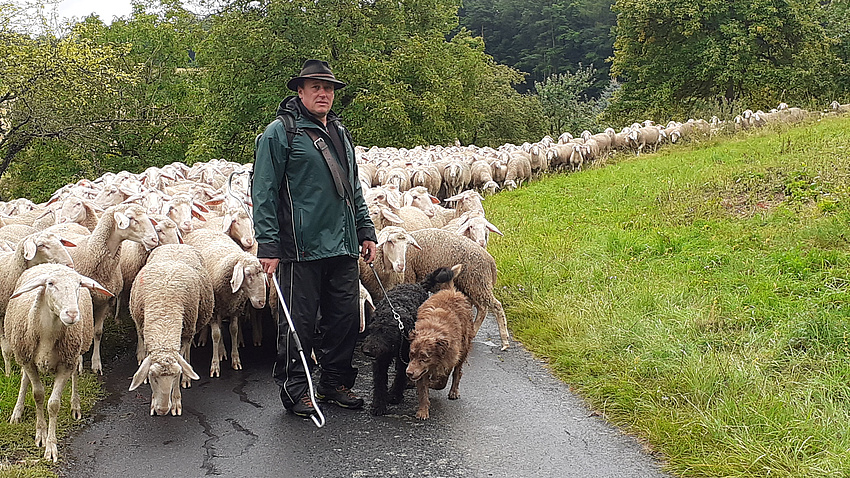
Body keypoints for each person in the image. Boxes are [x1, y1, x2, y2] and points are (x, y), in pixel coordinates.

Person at [252, 59, 377, 418]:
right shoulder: (280, 133)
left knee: (345, 319)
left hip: (342, 243)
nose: (324, 93)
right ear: (301, 91)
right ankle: (296, 389)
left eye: (329, 88)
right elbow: (264, 191)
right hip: (300, 247)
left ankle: (334, 382)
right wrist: (269, 244)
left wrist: (365, 229)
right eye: (316, 87)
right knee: (298, 323)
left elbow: (352, 187)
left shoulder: (339, 131)